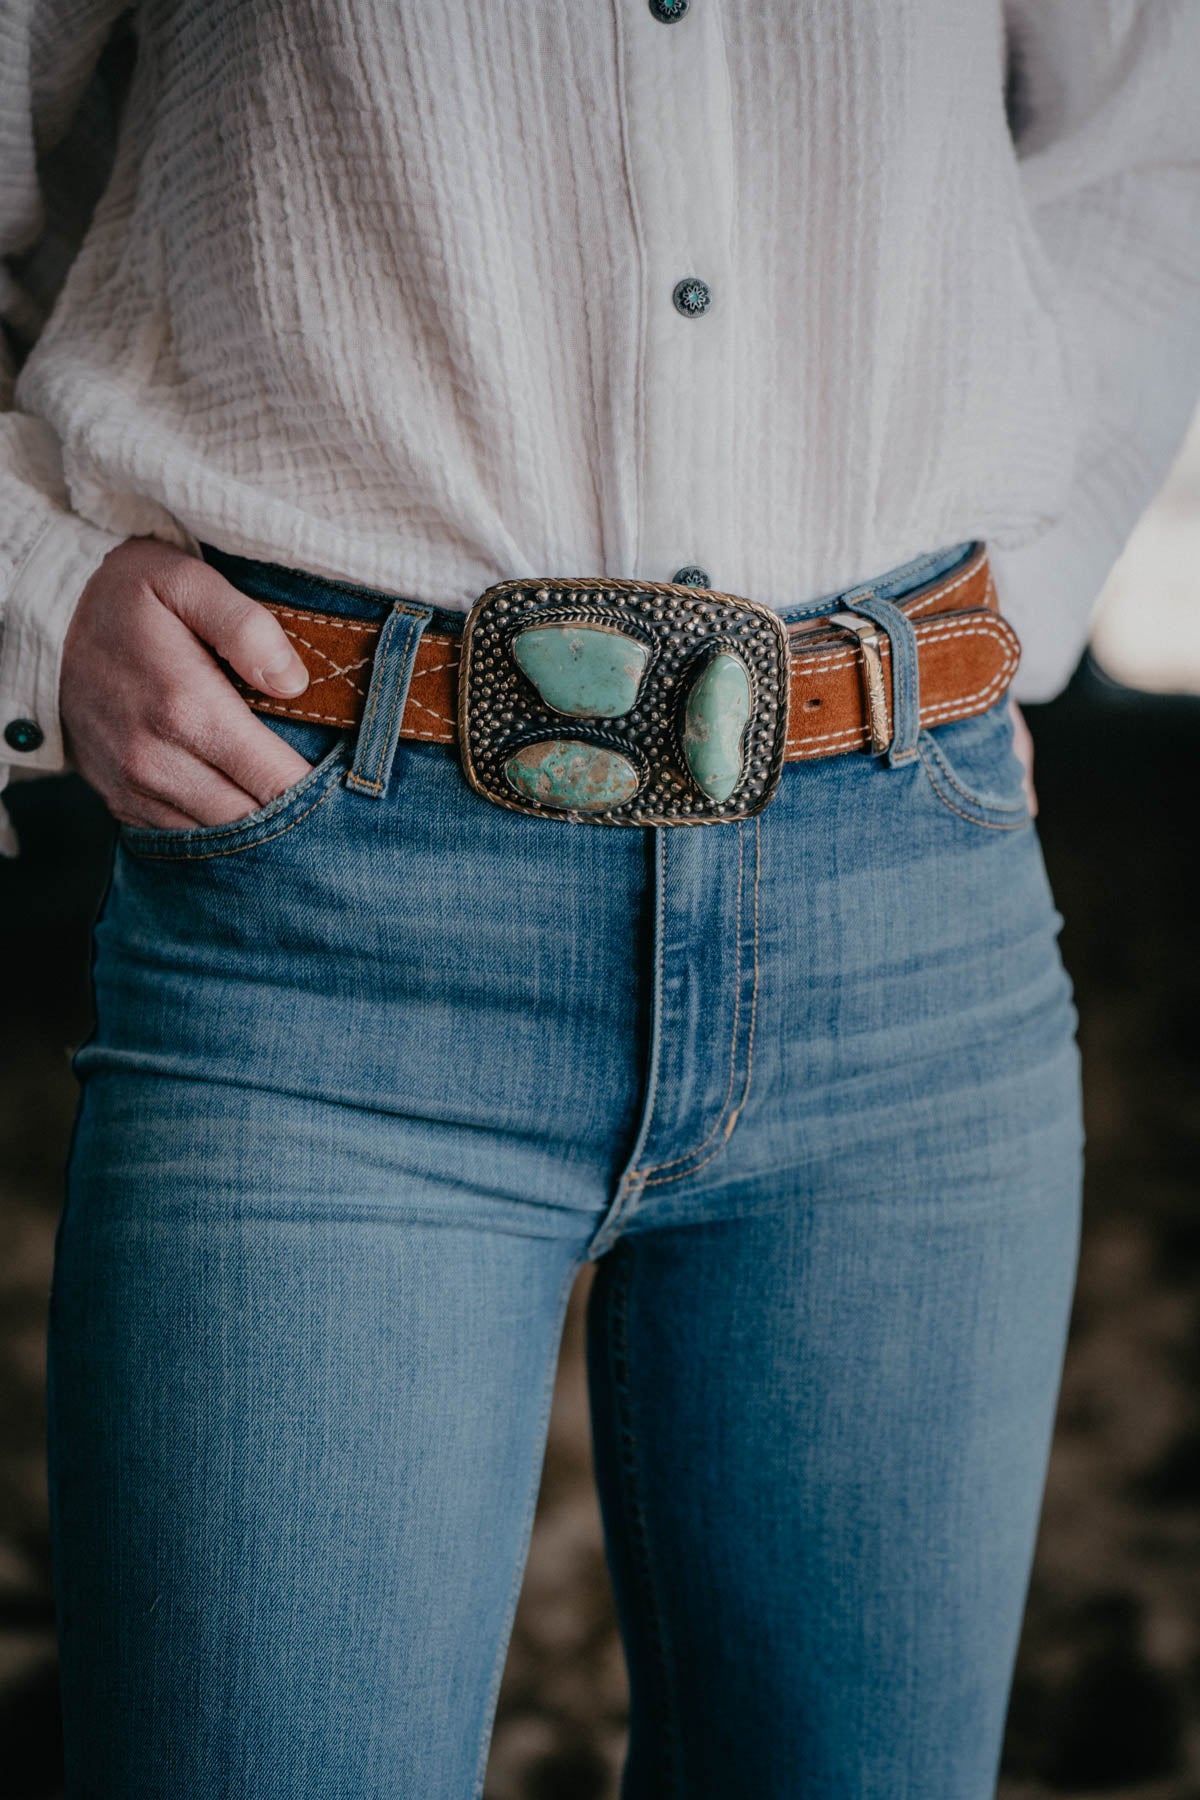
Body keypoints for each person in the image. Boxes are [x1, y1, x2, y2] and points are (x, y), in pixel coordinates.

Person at [2, 5, 1198, 1796]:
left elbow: (1154, 139)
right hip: (327, 921)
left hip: (909, 924)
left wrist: (1014, 599)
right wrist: (34, 588)